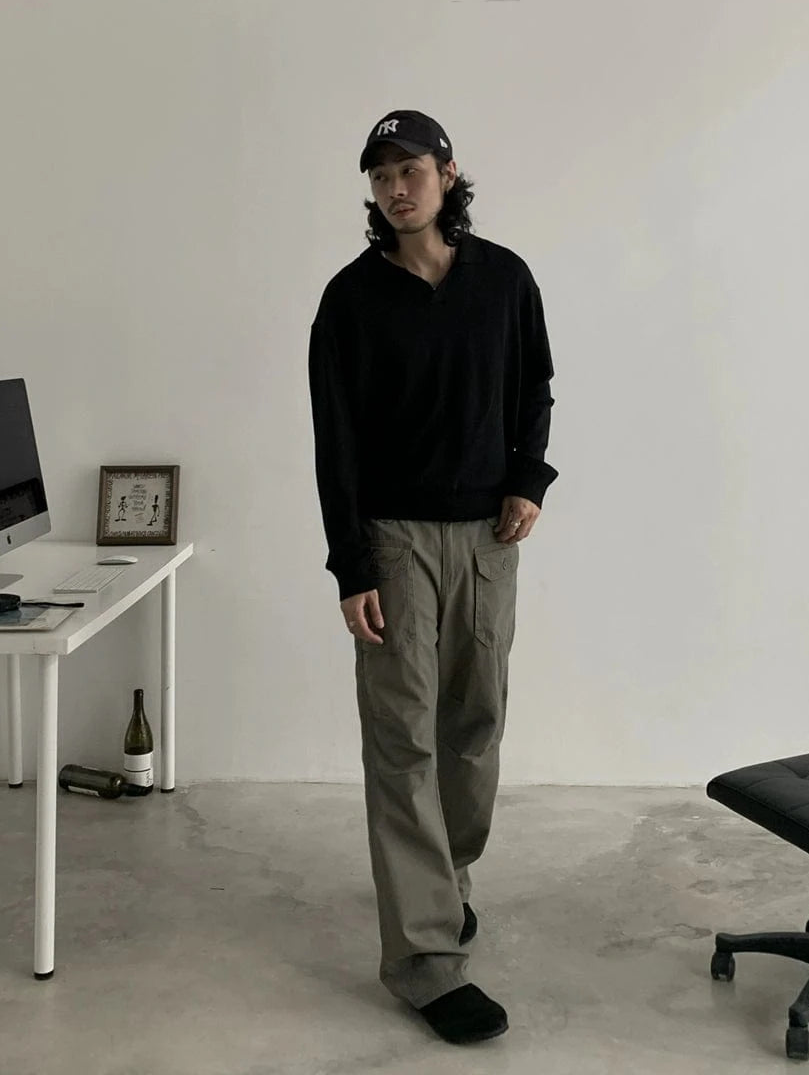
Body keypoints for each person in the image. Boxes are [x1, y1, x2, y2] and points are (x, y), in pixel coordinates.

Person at [308, 109, 558, 1044]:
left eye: (409, 169)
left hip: (489, 537)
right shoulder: (351, 300)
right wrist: (352, 564)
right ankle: (422, 958)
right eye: (380, 177)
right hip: (395, 538)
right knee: (403, 737)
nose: (395, 189)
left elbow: (533, 386)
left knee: (475, 724)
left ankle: (446, 884)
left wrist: (528, 478)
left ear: (448, 174)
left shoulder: (505, 280)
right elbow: (335, 442)